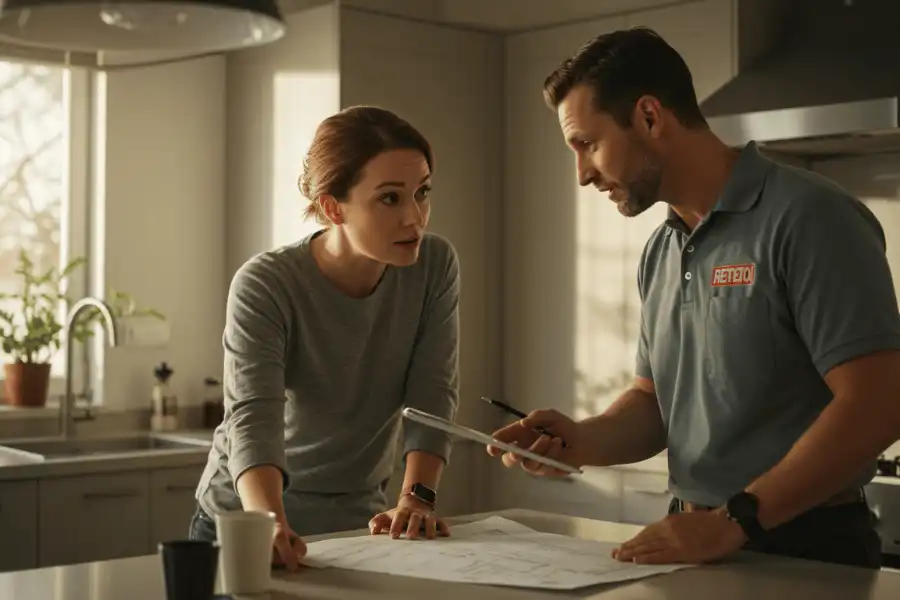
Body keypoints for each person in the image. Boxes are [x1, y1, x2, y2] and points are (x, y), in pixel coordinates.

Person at [487, 26, 900, 569]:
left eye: (587, 144)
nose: (583, 174)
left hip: (807, 548)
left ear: (650, 117)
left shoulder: (810, 219)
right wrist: (580, 441)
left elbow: (879, 402)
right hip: (694, 539)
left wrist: (734, 523)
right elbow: (654, 404)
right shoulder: (662, 249)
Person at [189, 105, 461, 570]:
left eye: (422, 192)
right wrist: (268, 521)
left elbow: (432, 391)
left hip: (356, 522)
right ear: (333, 207)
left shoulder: (434, 265)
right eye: (390, 199)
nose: (415, 218)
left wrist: (417, 499)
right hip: (245, 524)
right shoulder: (266, 283)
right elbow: (253, 416)